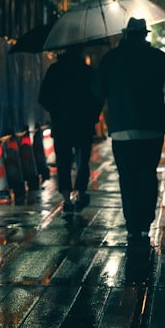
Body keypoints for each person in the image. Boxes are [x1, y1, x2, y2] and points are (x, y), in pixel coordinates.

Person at [92, 17, 165, 238]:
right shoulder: (157, 57)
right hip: (151, 128)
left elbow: (97, 91)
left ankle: (132, 224)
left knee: (127, 178)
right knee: (148, 175)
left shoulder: (112, 58)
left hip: (121, 129)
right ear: (145, 35)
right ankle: (146, 221)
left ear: (126, 34)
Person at [39, 44, 103, 210]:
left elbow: (43, 97)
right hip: (83, 123)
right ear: (80, 51)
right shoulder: (88, 72)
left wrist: (55, 110)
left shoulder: (55, 70)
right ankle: (81, 194)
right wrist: (93, 116)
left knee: (63, 160)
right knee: (82, 160)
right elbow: (98, 97)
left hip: (61, 124)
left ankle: (66, 198)